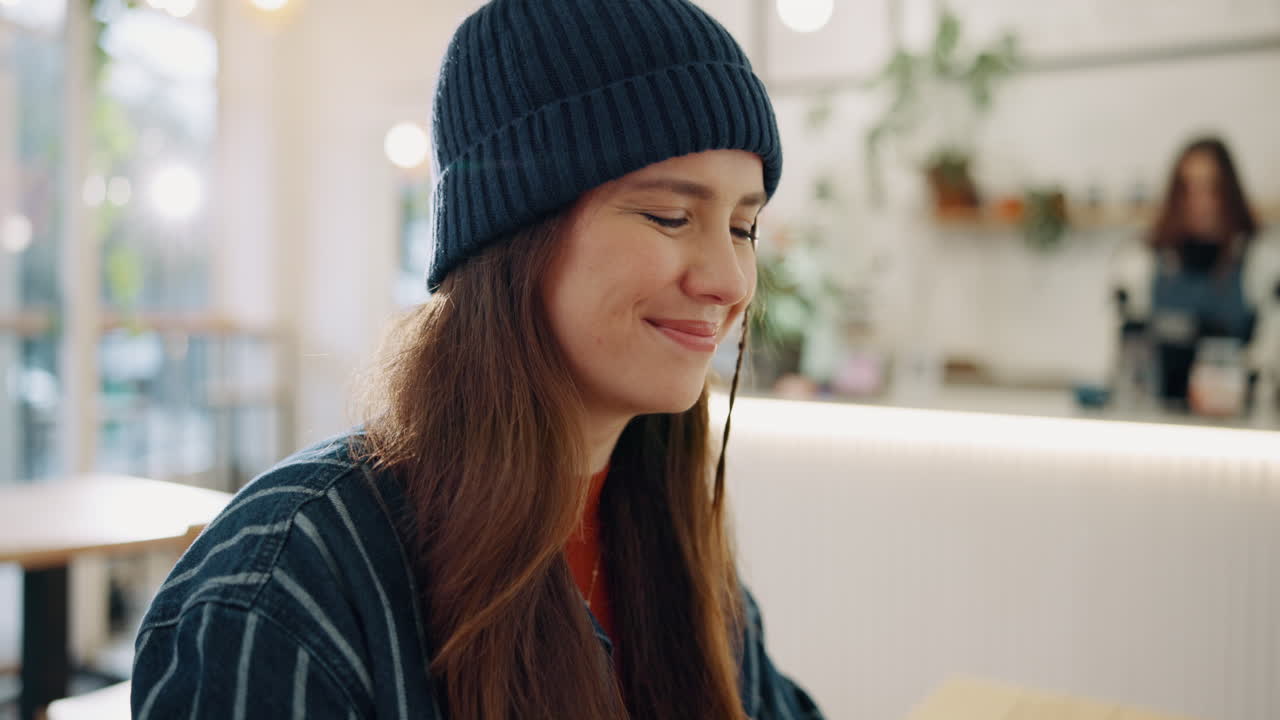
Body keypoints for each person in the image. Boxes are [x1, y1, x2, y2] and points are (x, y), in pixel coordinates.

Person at [130, 1, 823, 719]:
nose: (730, 282)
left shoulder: (678, 554)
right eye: (670, 217)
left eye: (743, 228)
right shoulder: (288, 589)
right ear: (512, 234)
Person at [1113, 136, 1268, 406]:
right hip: (1158, 414)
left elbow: (1268, 360)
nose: (1199, 202)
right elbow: (1127, 359)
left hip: (1235, 416)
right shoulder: (1144, 261)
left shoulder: (1260, 261)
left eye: (1211, 188)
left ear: (1229, 192)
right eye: (1188, 189)